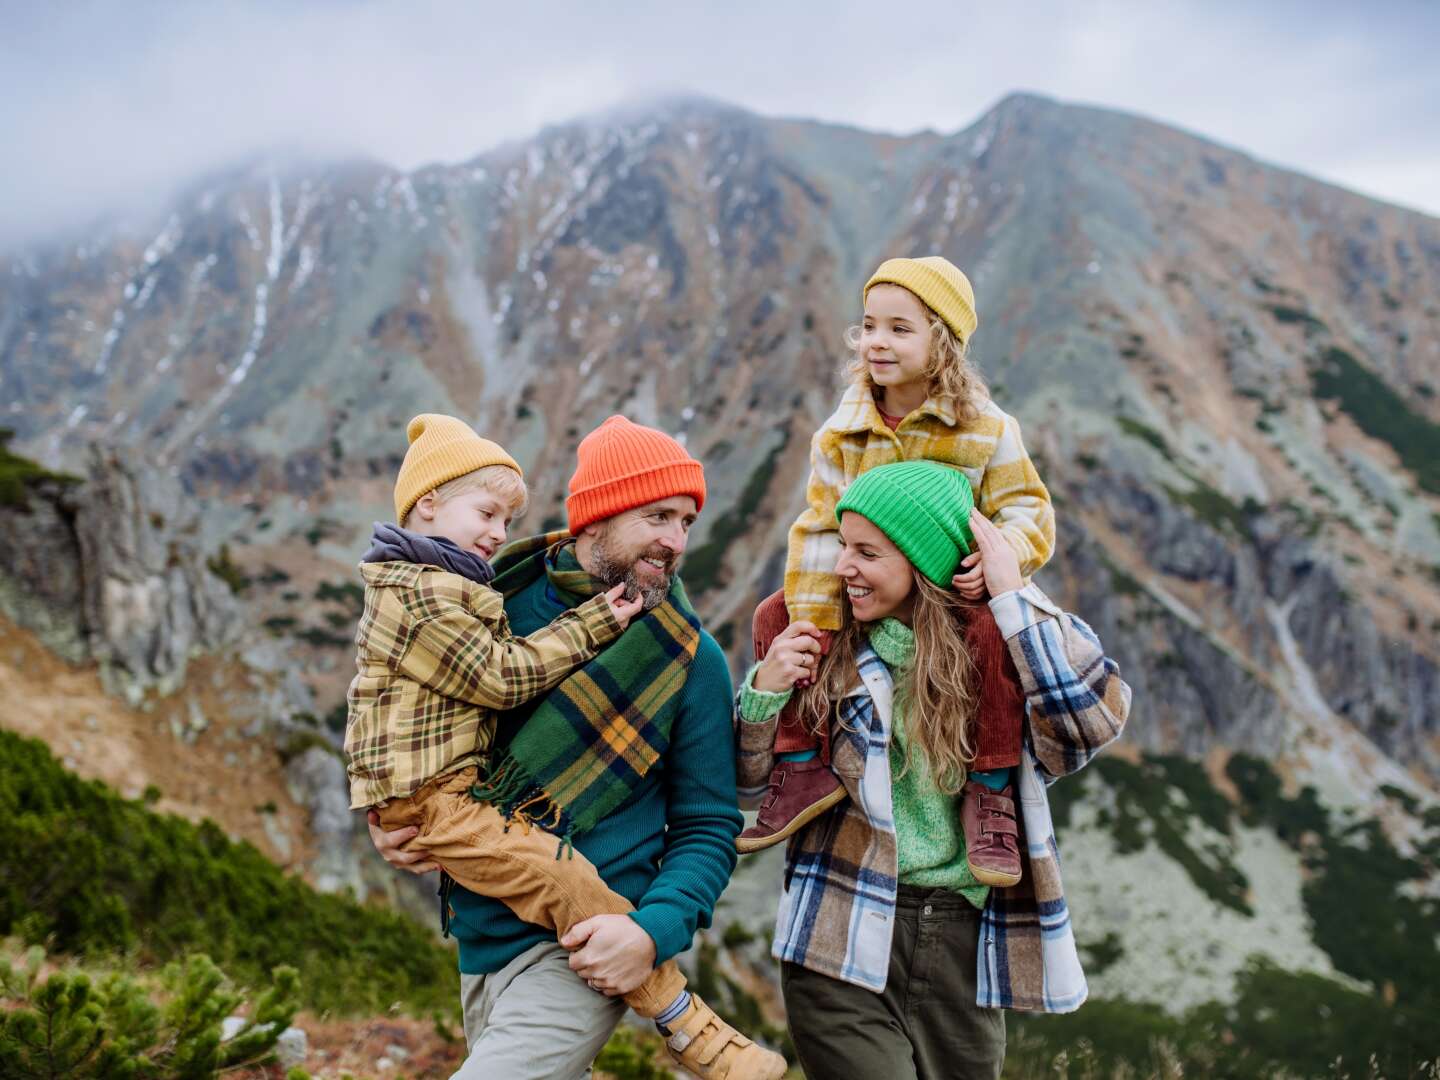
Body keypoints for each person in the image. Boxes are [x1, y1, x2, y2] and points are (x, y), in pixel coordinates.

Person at [367, 414, 785, 1080]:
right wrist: (393, 821)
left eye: (686, 522)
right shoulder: (488, 602)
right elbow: (413, 722)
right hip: (481, 939)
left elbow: (708, 827)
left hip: (588, 950)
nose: (675, 541)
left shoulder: (690, 659)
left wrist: (651, 932)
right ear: (596, 516)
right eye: (658, 516)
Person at [736, 461, 1130, 1080]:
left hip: (961, 942)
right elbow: (746, 783)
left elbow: (1091, 723)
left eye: (868, 552)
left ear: (922, 563)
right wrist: (764, 689)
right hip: (836, 928)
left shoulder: (997, 656)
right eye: (844, 546)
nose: (844, 568)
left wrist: (1012, 595)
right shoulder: (826, 640)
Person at [740, 256, 1055, 897]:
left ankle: (990, 788)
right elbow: (822, 522)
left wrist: (997, 564)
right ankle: (800, 762)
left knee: (996, 634)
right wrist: (812, 611)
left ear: (943, 340)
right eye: (869, 326)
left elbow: (1028, 509)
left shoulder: (987, 428)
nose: (876, 342)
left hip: (949, 590)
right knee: (774, 617)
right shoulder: (842, 432)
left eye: (899, 329)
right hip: (866, 580)